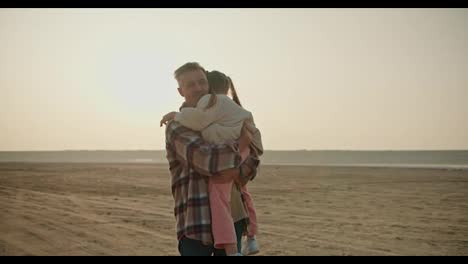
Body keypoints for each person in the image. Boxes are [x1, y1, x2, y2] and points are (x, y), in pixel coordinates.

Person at [163, 62, 261, 256]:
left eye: (202, 82)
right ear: (180, 91)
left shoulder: (224, 115)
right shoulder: (177, 125)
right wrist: (241, 144)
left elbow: (252, 162)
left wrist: (240, 170)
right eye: (190, 85)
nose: (198, 88)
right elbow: (206, 160)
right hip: (197, 224)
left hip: (233, 218)